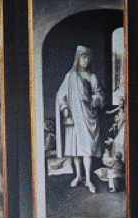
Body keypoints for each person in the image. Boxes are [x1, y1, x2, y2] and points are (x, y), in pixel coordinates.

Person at [56, 46, 105, 193]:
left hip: (89, 117)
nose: (86, 60)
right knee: (75, 149)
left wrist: (92, 100)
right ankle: (78, 176)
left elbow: (101, 96)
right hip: (74, 116)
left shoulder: (93, 77)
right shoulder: (71, 76)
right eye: (83, 57)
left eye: (88, 57)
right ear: (78, 59)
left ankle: (88, 179)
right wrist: (65, 108)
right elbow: (61, 94)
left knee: (87, 150)